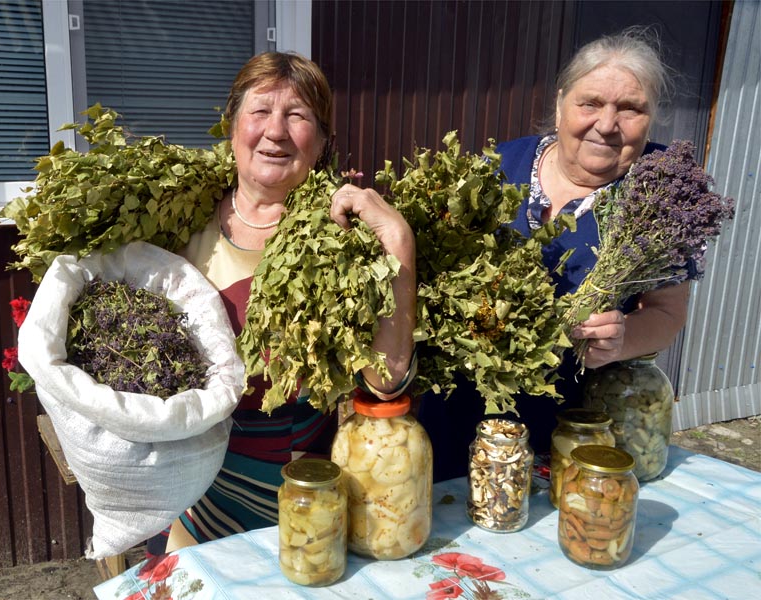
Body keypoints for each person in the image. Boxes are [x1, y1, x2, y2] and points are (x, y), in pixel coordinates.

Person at [165, 52, 417, 549]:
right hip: (185, 494)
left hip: (294, 503)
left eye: (298, 116)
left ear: (322, 143)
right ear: (232, 125)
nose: (275, 131)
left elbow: (385, 380)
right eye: (260, 111)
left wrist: (398, 241)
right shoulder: (178, 218)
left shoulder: (343, 238)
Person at [419, 28, 695, 480]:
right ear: (560, 102)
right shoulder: (492, 169)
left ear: (652, 117)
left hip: (575, 437)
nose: (607, 124)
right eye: (590, 103)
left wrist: (625, 337)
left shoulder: (663, 193)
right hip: (459, 416)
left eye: (630, 108)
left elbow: (666, 314)